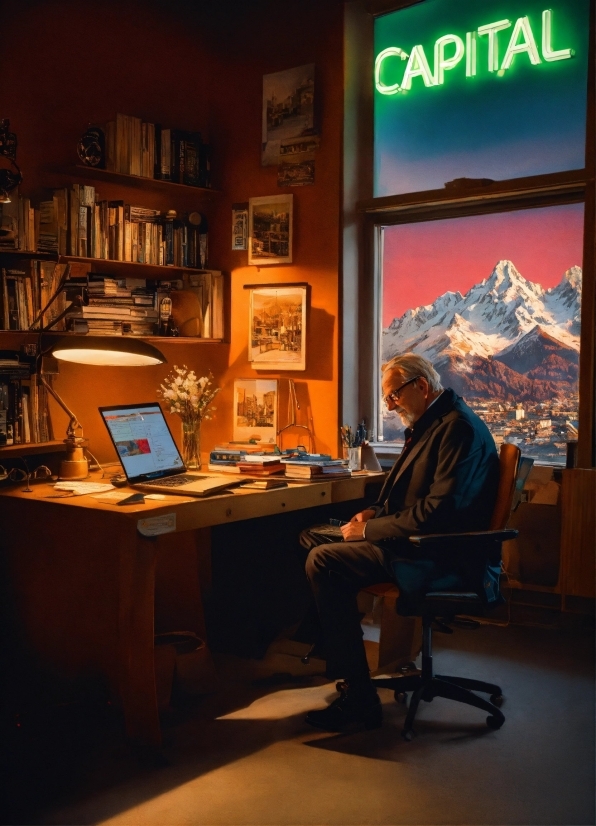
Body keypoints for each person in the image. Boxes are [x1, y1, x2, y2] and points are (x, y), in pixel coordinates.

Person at [302, 353, 500, 732]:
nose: (390, 407)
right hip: (417, 541)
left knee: (323, 561)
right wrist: (373, 514)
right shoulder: (435, 422)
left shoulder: (456, 428)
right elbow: (410, 495)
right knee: (311, 535)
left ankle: (358, 697)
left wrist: (371, 532)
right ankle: (336, 649)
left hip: (436, 554)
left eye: (394, 397)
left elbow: (437, 512)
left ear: (421, 387)